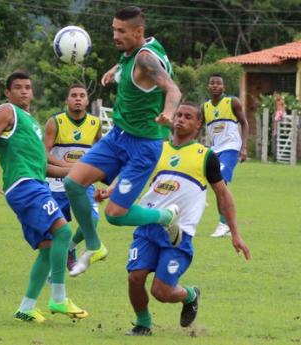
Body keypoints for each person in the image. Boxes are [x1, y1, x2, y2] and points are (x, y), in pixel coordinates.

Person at [95, 102, 250, 336]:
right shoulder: (156, 149)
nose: (180, 119)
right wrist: (111, 191)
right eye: (178, 115)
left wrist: (235, 234)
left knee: (162, 292)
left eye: (188, 117)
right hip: (148, 225)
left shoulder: (205, 156)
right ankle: (143, 323)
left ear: (199, 125)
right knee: (135, 277)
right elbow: (132, 176)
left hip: (179, 233)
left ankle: (190, 295)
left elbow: (223, 195)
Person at [64, 6, 183, 277]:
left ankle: (166, 217)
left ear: (138, 32)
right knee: (73, 182)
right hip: (117, 136)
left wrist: (168, 112)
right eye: (114, 30)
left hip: (144, 146)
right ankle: (94, 246)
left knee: (115, 214)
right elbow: (131, 57)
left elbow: (172, 88)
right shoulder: (143, 46)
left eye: (121, 31)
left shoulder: (145, 60)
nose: (115, 36)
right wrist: (115, 68)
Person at [0, 72, 87, 323]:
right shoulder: (7, 111)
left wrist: (81, 172)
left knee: (49, 249)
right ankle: (58, 298)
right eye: (18, 88)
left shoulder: (32, 123)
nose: (24, 91)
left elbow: (45, 167)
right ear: (8, 92)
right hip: (25, 186)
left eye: (28, 87)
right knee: (63, 233)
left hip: (34, 183)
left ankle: (26, 307)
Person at [43, 84, 103, 270]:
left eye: (82, 95)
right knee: (58, 230)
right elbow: (43, 153)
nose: (78, 98)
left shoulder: (95, 124)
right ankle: (54, 268)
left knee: (92, 220)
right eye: (74, 95)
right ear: (67, 100)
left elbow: (101, 151)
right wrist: (68, 168)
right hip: (56, 185)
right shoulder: (55, 122)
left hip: (83, 184)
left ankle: (71, 248)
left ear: (87, 101)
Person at [202, 74, 249, 238]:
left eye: (218, 83)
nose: (215, 86)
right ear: (208, 87)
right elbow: (196, 128)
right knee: (210, 181)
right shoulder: (205, 107)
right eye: (212, 83)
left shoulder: (232, 102)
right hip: (214, 150)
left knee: (220, 182)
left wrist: (243, 148)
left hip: (231, 148)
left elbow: (244, 123)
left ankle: (224, 224)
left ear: (224, 87)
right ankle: (201, 200)